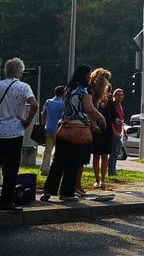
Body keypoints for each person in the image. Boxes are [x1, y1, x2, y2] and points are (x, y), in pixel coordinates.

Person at [41, 65, 105, 202]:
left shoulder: (68, 89)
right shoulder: (84, 91)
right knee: (72, 163)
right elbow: (89, 108)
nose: (90, 77)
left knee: (58, 161)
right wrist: (100, 117)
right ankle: (67, 193)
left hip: (64, 128)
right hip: (79, 130)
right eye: (88, 75)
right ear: (84, 76)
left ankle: (48, 191)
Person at [0, 58, 39, 211]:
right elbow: (34, 104)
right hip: (14, 132)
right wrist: (28, 121)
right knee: (10, 168)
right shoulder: (24, 87)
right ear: (20, 72)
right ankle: (6, 201)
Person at [76, 68, 111, 195]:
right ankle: (76, 185)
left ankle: (76, 185)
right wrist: (95, 123)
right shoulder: (88, 91)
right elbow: (88, 109)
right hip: (81, 127)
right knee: (80, 158)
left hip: (84, 126)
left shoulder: (88, 90)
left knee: (81, 158)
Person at [91, 84, 117, 189]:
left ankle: (102, 180)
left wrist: (117, 123)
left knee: (105, 156)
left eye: (107, 90)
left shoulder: (111, 104)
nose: (105, 92)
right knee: (96, 155)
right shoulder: (94, 102)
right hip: (96, 131)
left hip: (107, 132)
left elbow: (113, 118)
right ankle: (97, 180)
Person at [40, 85, 65, 176]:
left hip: (48, 128)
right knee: (59, 151)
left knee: (47, 150)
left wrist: (43, 125)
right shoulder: (63, 103)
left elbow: (43, 114)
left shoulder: (48, 101)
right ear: (63, 93)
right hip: (59, 130)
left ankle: (44, 170)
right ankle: (57, 170)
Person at [108, 88, 127, 176]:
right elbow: (110, 120)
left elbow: (121, 120)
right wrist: (114, 131)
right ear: (114, 96)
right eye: (118, 95)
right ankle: (111, 171)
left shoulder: (120, 106)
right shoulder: (112, 105)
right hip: (113, 132)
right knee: (114, 152)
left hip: (119, 131)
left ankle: (113, 169)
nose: (120, 97)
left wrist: (125, 132)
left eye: (121, 95)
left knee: (116, 151)